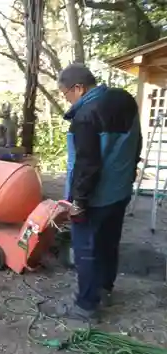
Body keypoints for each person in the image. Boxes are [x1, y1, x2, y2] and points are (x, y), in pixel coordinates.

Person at [56, 63, 142, 321]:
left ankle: (86, 306)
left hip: (95, 198)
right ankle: (104, 289)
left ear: (79, 88)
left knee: (86, 249)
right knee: (108, 243)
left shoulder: (85, 116)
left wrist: (78, 202)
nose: (67, 99)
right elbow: (137, 142)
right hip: (120, 191)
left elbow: (87, 165)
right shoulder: (125, 101)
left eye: (66, 94)